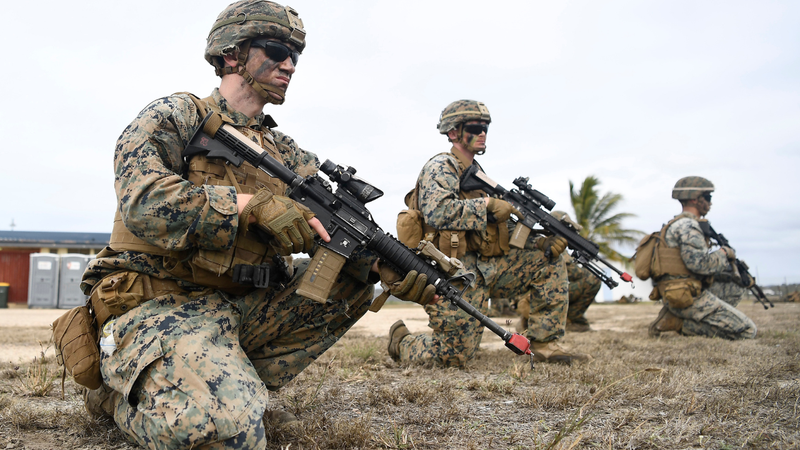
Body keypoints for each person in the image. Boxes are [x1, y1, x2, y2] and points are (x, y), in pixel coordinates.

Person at [79, 2, 427, 448]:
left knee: (352, 276)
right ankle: (121, 396)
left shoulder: (286, 152)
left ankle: (222, 382)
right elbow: (142, 201)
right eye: (278, 50)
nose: (290, 65)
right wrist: (247, 205)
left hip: (239, 308)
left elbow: (330, 230)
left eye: (296, 57)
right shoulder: (177, 115)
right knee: (223, 435)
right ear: (231, 56)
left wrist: (386, 269)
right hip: (160, 302)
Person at [387, 100, 592, 367]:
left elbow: (495, 227)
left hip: (487, 267)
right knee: (453, 357)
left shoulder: (478, 174)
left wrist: (540, 241)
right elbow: (438, 211)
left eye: (485, 127)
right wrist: (487, 205)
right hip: (453, 273)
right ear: (452, 132)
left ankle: (544, 343)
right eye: (474, 127)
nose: (482, 132)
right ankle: (401, 342)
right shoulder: (441, 166)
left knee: (547, 261)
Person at [647, 176, 756, 339]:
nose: (710, 202)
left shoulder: (681, 224)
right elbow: (700, 265)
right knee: (747, 331)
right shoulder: (688, 226)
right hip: (685, 293)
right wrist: (724, 253)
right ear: (694, 199)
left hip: (683, 289)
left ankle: (689, 318)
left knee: (735, 285)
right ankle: (678, 323)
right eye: (707, 197)